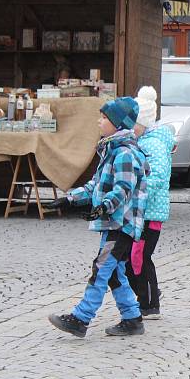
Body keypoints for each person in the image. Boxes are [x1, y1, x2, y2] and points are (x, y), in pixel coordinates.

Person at [47, 97, 149, 337]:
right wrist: (70, 199)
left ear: (118, 123)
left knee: (102, 268)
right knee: (113, 272)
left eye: (104, 118)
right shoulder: (111, 150)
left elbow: (123, 189)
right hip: (113, 222)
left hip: (122, 224)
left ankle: (80, 318)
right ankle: (133, 318)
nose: (99, 121)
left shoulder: (125, 153)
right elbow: (95, 185)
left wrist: (102, 208)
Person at [128, 86, 175, 319]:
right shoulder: (144, 140)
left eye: (132, 124)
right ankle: (146, 295)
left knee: (141, 257)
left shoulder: (153, 144)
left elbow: (155, 177)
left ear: (143, 122)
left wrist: (136, 192)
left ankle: (150, 303)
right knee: (134, 256)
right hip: (142, 211)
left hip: (151, 211)